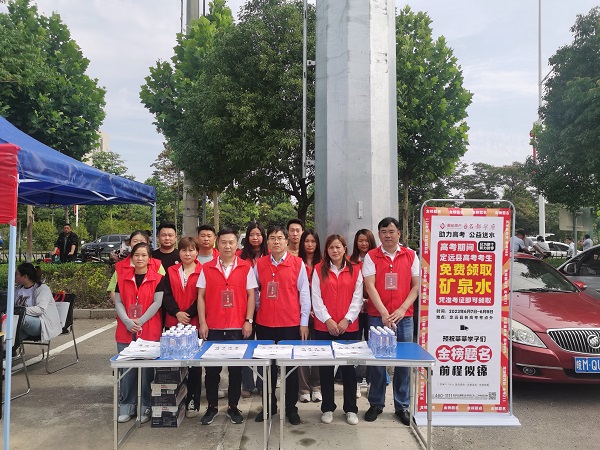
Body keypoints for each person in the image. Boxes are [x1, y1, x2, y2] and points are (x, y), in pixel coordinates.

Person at [362, 217, 419, 426]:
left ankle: (402, 406)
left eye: (391, 231)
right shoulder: (371, 256)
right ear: (379, 234)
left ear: (399, 234)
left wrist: (402, 309)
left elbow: (416, 286)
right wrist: (384, 312)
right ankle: (376, 403)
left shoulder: (411, 255)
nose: (388, 235)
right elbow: (370, 286)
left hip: (404, 317)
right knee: (377, 362)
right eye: (384, 231)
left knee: (403, 362)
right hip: (378, 317)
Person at [197, 228, 256, 425]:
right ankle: (212, 407)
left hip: (237, 327)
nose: (228, 246)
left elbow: (251, 295)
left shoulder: (246, 267)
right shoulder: (207, 268)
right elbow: (201, 296)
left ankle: (233, 406)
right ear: (218, 244)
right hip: (213, 326)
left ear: (236, 245)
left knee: (236, 371)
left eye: (231, 242)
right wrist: (203, 322)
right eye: (224, 242)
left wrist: (248, 321)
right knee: (212, 371)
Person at [254, 225, 310, 425]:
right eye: (272, 238)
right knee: (267, 369)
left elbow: (304, 293)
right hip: (265, 324)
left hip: (290, 324)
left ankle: (291, 408)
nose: (276, 241)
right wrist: (259, 309)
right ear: (267, 242)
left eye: (279, 238)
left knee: (290, 369)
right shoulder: (259, 264)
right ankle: (269, 406)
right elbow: (255, 292)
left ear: (287, 241)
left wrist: (304, 322)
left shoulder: (297, 263)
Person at [312, 234, 363, 425]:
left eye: (338, 247)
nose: (335, 250)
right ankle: (327, 407)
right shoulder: (319, 269)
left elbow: (357, 298)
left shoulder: (355, 269)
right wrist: (328, 320)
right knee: (325, 369)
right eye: (331, 247)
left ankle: (350, 409)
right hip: (324, 327)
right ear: (326, 250)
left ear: (344, 249)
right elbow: (316, 297)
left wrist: (346, 320)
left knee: (349, 369)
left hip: (349, 327)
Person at [114, 242, 165, 424]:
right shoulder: (122, 277)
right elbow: (118, 302)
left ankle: (145, 406)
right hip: (125, 329)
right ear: (131, 258)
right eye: (136, 255)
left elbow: (157, 303)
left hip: (149, 328)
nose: (140, 258)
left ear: (150, 258)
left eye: (144, 255)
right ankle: (127, 406)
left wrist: (140, 321)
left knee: (146, 372)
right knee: (127, 370)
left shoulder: (158, 278)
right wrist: (127, 321)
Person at [163, 236, 203, 418]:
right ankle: (174, 402)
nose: (188, 253)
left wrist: (187, 314)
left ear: (197, 252)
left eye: (191, 250)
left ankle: (193, 400)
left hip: (194, 324)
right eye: (184, 250)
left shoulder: (203, 271)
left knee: (194, 365)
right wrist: (177, 312)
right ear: (179, 252)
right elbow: (166, 295)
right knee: (175, 365)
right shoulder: (171, 271)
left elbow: (202, 296)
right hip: (173, 324)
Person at [238, 222, 269, 398]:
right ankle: (247, 384)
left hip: (266, 307)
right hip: (246, 306)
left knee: (263, 346)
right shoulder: (240, 256)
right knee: (247, 345)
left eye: (258, 234)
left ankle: (263, 382)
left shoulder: (270, 255)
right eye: (252, 234)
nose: (255, 238)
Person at [349, 228, 377, 396]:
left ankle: (372, 380)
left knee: (372, 345)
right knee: (356, 346)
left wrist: (368, 301)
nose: (363, 243)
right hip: (355, 311)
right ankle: (357, 380)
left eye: (366, 240)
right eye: (360, 240)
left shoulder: (376, 259)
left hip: (374, 309)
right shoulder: (350, 261)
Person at [297, 229, 322, 403]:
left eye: (313, 241)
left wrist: (316, 309)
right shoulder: (296, 262)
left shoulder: (323, 263)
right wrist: (306, 309)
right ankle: (304, 388)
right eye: (307, 241)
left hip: (321, 314)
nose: (310, 244)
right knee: (302, 350)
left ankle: (317, 386)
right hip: (301, 314)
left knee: (318, 350)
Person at [106, 230, 163, 303]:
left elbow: (164, 288)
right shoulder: (120, 266)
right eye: (135, 241)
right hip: (126, 308)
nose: (138, 243)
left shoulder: (156, 264)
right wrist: (122, 306)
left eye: (142, 241)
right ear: (129, 243)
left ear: (147, 243)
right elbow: (112, 289)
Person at [14, 263, 62, 341]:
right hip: (21, 323)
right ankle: (9, 345)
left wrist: (20, 311)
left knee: (20, 319)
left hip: (41, 322)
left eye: (16, 274)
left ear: (25, 276)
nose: (14, 275)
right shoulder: (18, 289)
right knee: (10, 331)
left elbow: (40, 309)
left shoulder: (42, 289)